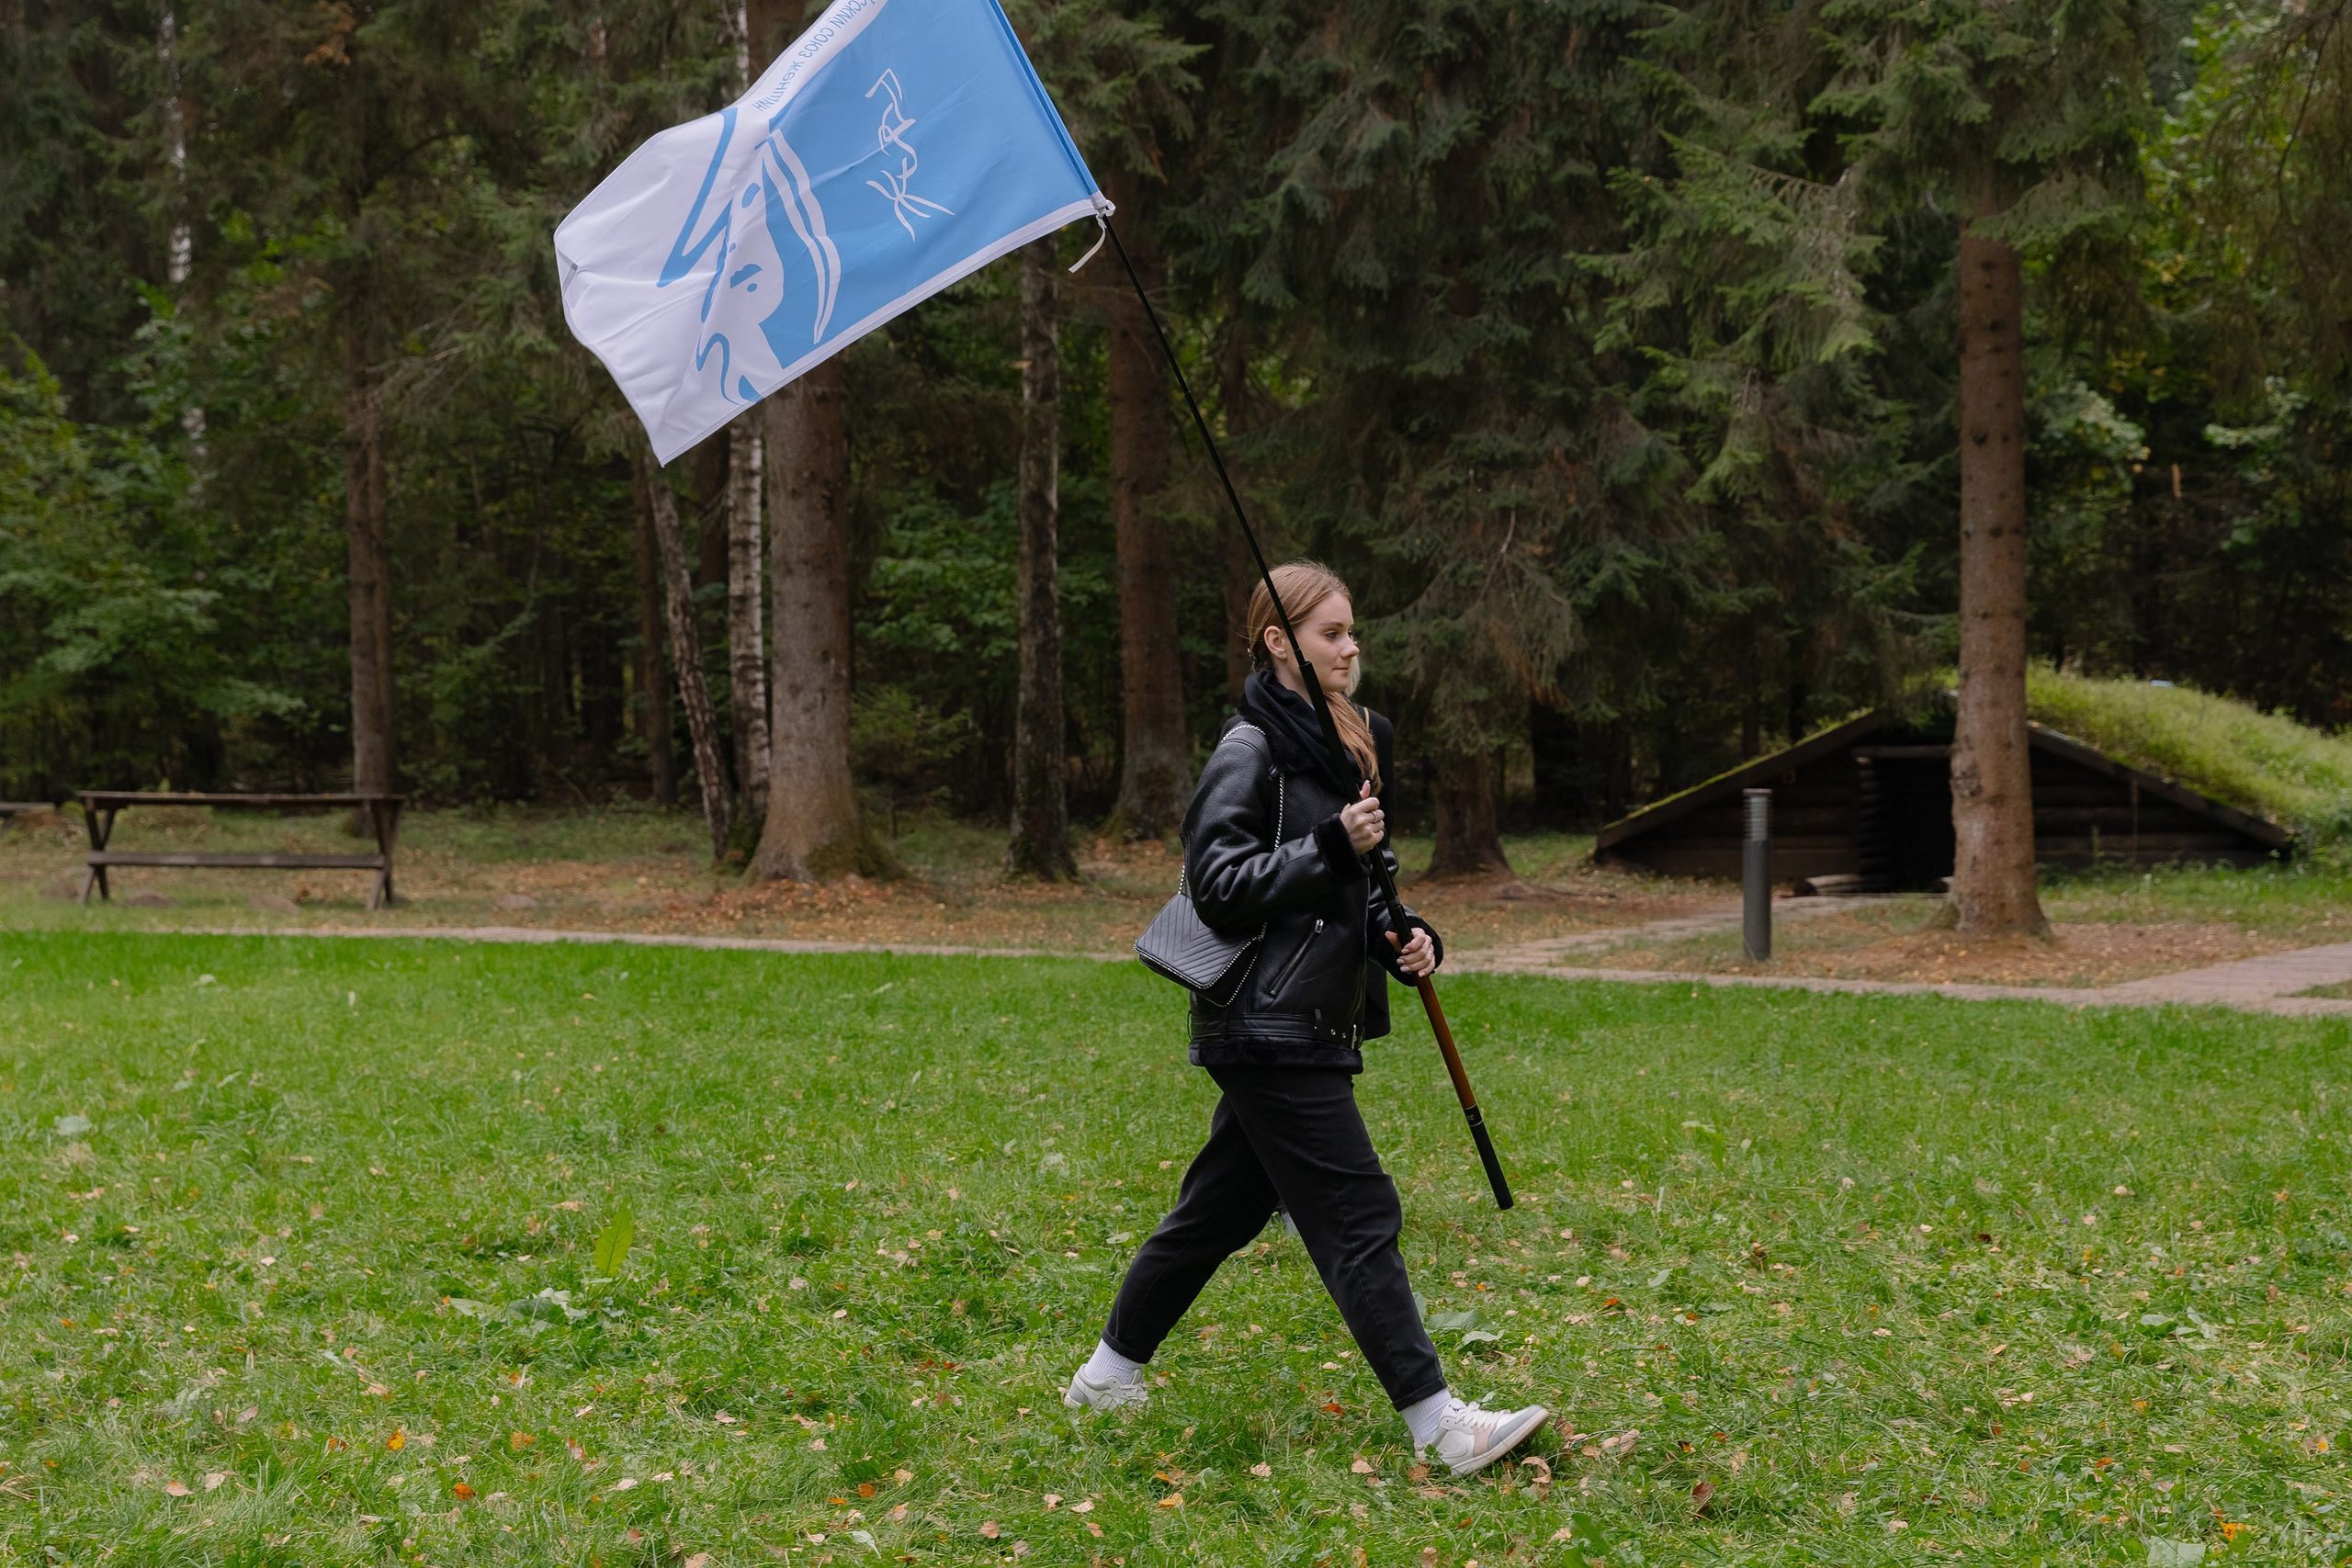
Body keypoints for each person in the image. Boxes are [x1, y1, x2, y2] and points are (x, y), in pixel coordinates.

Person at [1062, 559, 1550, 1477]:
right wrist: (1330, 843)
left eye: (1352, 631)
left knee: (1217, 1211)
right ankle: (1441, 1426)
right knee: (1358, 1210)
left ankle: (1104, 1377)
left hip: (1311, 1019)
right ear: (1278, 642)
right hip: (1263, 1020)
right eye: (1330, 634)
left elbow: (1357, 890)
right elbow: (1217, 887)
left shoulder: (1357, 742)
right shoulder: (1249, 749)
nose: (1351, 647)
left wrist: (1404, 936)